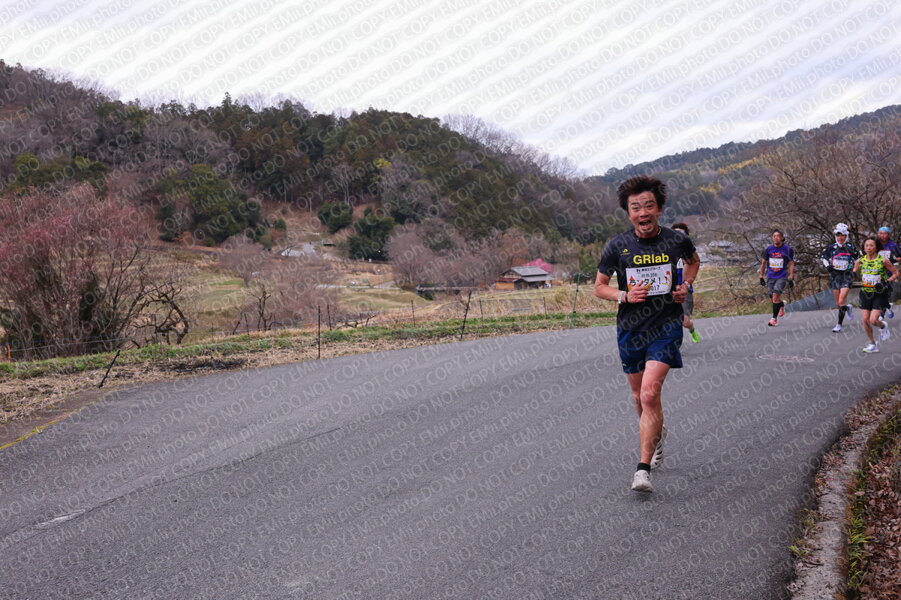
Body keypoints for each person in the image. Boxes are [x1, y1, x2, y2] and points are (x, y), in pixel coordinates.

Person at [595, 176, 700, 493]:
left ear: (659, 209)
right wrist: (624, 296)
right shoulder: (617, 246)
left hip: (666, 326)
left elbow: (693, 262)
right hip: (631, 329)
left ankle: (642, 470)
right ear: (629, 213)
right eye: (636, 207)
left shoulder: (676, 240)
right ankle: (655, 435)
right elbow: (599, 287)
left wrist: (685, 285)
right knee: (638, 397)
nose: (643, 213)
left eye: (649, 206)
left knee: (650, 395)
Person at [853, 237, 899, 353]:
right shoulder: (860, 261)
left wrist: (887, 281)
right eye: (866, 245)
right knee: (865, 320)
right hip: (865, 293)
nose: (869, 248)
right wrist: (850, 277)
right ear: (864, 248)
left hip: (879, 293)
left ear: (876, 247)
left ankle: (883, 326)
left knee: (873, 320)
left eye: (871, 245)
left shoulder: (883, 261)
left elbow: (896, 273)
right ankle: (872, 344)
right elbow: (853, 273)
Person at [820, 223, 859, 332]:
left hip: (847, 276)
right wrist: (828, 266)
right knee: (838, 303)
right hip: (835, 276)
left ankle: (839, 325)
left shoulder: (851, 247)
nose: (840, 237)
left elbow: (858, 260)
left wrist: (854, 271)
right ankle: (848, 307)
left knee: (841, 300)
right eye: (838, 235)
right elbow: (823, 257)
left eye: (843, 235)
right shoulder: (831, 247)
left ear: (846, 236)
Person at [671, 222, 701, 342]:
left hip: (684, 290)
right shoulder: (666, 252)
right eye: (675, 233)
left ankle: (692, 330)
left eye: (681, 234)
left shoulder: (688, 253)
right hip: (668, 290)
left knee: (685, 322)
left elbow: (695, 263)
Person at [759, 230, 795, 326]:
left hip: (782, 276)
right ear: (772, 238)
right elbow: (763, 263)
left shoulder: (788, 249)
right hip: (770, 276)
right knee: (772, 297)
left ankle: (774, 319)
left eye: (778, 236)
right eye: (774, 236)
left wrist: (791, 276)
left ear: (782, 238)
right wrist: (761, 276)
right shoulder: (768, 249)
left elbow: (791, 263)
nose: (776, 238)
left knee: (775, 297)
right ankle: (781, 305)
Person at [876, 226, 900, 318]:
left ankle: (881, 314)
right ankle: (887, 306)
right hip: (876, 271)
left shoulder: (893, 245)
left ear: (889, 235)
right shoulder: (875, 244)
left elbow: (899, 257)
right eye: (880, 233)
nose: (882, 235)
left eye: (884, 233)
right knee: (877, 293)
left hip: (889, 272)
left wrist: (894, 259)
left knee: (884, 292)